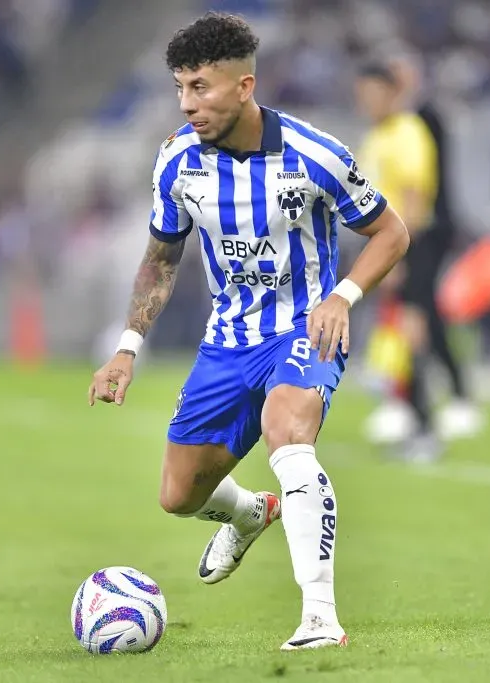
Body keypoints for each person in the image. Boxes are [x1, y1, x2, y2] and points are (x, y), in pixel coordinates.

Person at [87, 13, 409, 651]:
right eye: (181, 88)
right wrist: (127, 349)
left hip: (303, 327)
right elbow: (160, 257)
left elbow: (391, 231)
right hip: (228, 340)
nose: (188, 104)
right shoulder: (178, 162)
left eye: (201, 87)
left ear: (244, 86)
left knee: (287, 434)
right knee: (179, 496)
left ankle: (320, 618)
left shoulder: (315, 155)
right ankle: (249, 512)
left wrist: (344, 297)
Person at [353, 59, 480, 462]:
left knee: (413, 325)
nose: (367, 102)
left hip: (408, 243)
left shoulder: (408, 133)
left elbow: (412, 198)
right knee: (403, 325)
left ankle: (425, 424)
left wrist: (397, 256)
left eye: (374, 93)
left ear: (393, 92)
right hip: (387, 245)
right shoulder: (378, 136)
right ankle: (412, 413)